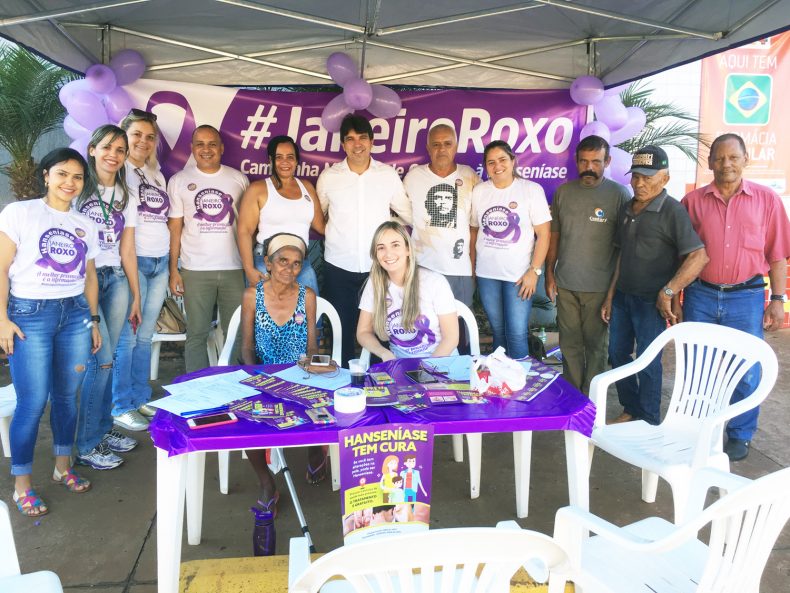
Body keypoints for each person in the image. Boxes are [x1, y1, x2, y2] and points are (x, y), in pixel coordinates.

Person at [0, 148, 101, 516]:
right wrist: (1, 318)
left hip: (74, 314)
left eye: (76, 177)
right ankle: (22, 484)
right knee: (32, 402)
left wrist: (93, 320)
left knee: (66, 396)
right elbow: (2, 267)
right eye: (62, 174)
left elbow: (89, 276)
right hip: (29, 315)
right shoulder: (20, 213)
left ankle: (62, 467)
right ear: (46, 175)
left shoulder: (84, 223)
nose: (69, 183)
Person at [682, 133, 790, 461]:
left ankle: (740, 434)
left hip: (747, 297)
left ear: (745, 160)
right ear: (710, 162)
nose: (725, 164)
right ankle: (700, 430)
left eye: (733, 157)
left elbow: (777, 255)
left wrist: (778, 299)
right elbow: (683, 255)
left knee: (746, 368)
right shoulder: (693, 202)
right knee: (699, 367)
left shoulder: (767, 200)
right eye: (719, 158)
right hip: (700, 294)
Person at [602, 145, 708, 426]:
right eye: (636, 176)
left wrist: (669, 291)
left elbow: (698, 256)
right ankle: (631, 407)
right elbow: (621, 255)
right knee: (617, 354)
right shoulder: (627, 208)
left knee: (648, 360)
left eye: (647, 177)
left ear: (665, 178)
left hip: (652, 302)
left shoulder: (672, 211)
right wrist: (610, 296)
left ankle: (649, 418)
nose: (639, 183)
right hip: (623, 297)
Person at [239, 233, 327, 513]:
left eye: (297, 263)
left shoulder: (307, 296)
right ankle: (267, 484)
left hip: (300, 376)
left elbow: (312, 346)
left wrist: (313, 373)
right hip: (264, 376)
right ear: (267, 262)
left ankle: (316, 449)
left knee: (324, 411)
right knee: (248, 424)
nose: (290, 269)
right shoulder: (252, 295)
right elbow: (246, 347)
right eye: (283, 261)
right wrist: (258, 379)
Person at [317, 114, 411, 365]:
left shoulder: (387, 174)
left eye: (362, 138)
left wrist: (391, 232)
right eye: (350, 139)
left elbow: (407, 213)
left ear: (371, 141)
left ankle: (382, 383)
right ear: (342, 144)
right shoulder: (329, 177)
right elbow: (320, 215)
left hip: (378, 268)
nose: (357, 144)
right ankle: (344, 384)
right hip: (339, 265)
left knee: (380, 330)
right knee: (342, 330)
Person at [75, 125, 143, 470]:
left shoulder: (126, 194)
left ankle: (101, 430)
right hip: (82, 280)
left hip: (115, 277)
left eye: (120, 150)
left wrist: (135, 293)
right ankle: (86, 443)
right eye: (107, 148)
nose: (113, 155)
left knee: (107, 361)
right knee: (96, 361)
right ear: (92, 149)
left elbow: (127, 248)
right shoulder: (76, 188)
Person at [545, 135, 630, 394]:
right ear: (576, 161)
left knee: (596, 346)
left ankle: (591, 401)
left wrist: (612, 293)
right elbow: (555, 236)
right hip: (566, 284)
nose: (589, 167)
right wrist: (549, 274)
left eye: (596, 161)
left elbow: (624, 249)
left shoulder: (619, 195)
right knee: (569, 344)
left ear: (608, 162)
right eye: (583, 161)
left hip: (599, 288)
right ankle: (572, 396)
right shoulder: (564, 192)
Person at [167, 125, 249, 372]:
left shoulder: (238, 179)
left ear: (222, 148)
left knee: (235, 331)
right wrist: (174, 269)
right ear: (192, 149)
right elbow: (175, 228)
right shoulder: (179, 181)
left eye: (212, 143)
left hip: (233, 268)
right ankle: (196, 389)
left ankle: (233, 385)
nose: (206, 149)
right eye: (200, 144)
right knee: (197, 333)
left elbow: (247, 227)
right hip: (195, 269)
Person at [112, 109, 171, 431]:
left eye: (150, 137)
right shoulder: (118, 172)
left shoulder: (155, 174)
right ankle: (120, 404)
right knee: (127, 338)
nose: (143, 142)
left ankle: (138, 397)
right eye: (137, 135)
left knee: (145, 336)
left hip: (159, 262)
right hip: (133, 262)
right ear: (124, 137)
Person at [470, 140, 551, 359]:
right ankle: (501, 385)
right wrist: (473, 269)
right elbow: (474, 232)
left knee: (516, 334)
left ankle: (520, 387)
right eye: (491, 162)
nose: (497, 166)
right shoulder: (479, 191)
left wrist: (534, 272)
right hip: (487, 275)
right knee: (499, 332)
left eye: (503, 160)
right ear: (486, 166)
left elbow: (544, 234)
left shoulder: (531, 190)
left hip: (519, 276)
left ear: (513, 161)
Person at [403, 124, 480, 309]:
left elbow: (475, 228)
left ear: (455, 146)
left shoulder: (470, 176)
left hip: (459, 270)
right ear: (428, 148)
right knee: (424, 328)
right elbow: (402, 216)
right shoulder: (413, 177)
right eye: (436, 144)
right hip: (422, 268)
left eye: (447, 143)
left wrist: (473, 267)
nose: (442, 149)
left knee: (460, 328)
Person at [357, 221, 459, 360]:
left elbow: (451, 338)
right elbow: (363, 332)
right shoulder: (375, 284)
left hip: (442, 363)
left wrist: (426, 370)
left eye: (395, 245)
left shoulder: (434, 282)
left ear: (408, 250)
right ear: (375, 254)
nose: (388, 253)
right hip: (401, 365)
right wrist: (384, 353)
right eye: (381, 248)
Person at [237, 135, 325, 292]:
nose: (285, 162)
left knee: (308, 314)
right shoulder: (257, 189)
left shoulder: (307, 187)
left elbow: (321, 227)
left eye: (290, 157)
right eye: (279, 157)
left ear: (297, 160)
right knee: (267, 316)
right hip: (266, 264)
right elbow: (244, 231)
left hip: (301, 265)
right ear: (270, 160)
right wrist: (249, 269)